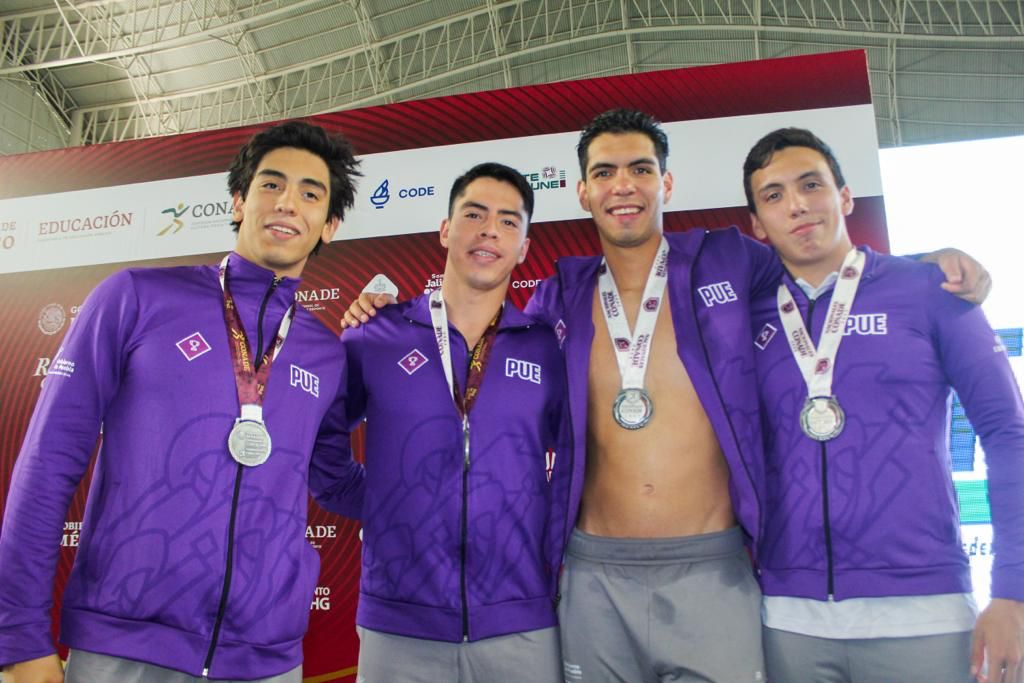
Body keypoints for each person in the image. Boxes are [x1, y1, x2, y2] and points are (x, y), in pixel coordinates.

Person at [341, 109, 989, 682]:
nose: (624, 184)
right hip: (594, 573)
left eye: (641, 168)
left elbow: (821, 266)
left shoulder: (730, 260)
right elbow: (474, 336)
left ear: (666, 183)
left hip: (713, 569)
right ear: (583, 191)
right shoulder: (557, 293)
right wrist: (376, 300)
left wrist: (925, 262)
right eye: (605, 172)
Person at [0, 120, 365, 683]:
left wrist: (455, 487)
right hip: (125, 650)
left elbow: (335, 483)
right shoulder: (137, 297)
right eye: (271, 185)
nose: (288, 202)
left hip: (266, 661)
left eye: (310, 193)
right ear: (240, 202)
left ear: (329, 225)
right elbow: (48, 462)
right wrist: (18, 633)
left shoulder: (326, 352)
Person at [744, 127, 1024, 683]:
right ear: (757, 224)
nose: (797, 205)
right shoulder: (744, 317)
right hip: (787, 619)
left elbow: (1006, 433)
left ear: (844, 197)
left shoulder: (932, 292)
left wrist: (1014, 591)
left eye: (811, 185)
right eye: (773, 195)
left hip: (925, 613)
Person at [339, 162, 572, 683]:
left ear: (524, 248)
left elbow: (583, 459)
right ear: (446, 230)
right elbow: (318, 443)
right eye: (474, 213)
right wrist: (377, 501)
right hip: (398, 625)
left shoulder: (547, 347)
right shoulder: (376, 335)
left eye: (509, 222)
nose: (491, 229)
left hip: (521, 621)